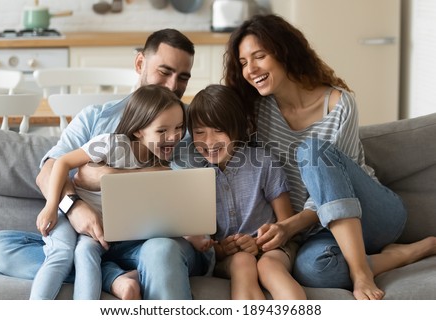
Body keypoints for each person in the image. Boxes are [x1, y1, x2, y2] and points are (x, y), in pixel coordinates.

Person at [223, 14, 436, 300]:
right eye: (243, 62)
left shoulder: (338, 104)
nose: (251, 69)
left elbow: (337, 189)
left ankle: (362, 273)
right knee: (314, 271)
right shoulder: (257, 112)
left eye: (259, 56)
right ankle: (404, 254)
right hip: (316, 231)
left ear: (284, 51)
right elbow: (210, 128)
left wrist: (289, 226)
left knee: (312, 150)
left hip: (371, 213)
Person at [0, 28, 210, 300]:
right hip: (95, 237)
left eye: (183, 77)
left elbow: (187, 192)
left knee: (160, 251)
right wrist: (74, 207)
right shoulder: (97, 118)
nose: (174, 85)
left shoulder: (189, 129)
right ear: (140, 63)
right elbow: (48, 171)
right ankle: (113, 277)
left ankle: (108, 272)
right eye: (165, 72)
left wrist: (107, 176)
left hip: (154, 243)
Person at [30, 85, 185, 300]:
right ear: (139, 130)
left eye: (179, 127)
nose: (174, 136)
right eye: (162, 131)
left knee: (85, 251)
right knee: (61, 254)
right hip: (67, 215)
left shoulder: (159, 163)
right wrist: (50, 207)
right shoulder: (111, 143)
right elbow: (63, 162)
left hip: (103, 230)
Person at [186, 84, 306, 300]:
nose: (209, 141)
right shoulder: (195, 176)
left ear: (237, 128)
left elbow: (286, 222)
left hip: (273, 249)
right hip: (230, 257)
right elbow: (206, 241)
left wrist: (259, 245)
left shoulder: (262, 162)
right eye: (199, 132)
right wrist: (221, 249)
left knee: (269, 267)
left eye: (218, 130)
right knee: (243, 262)